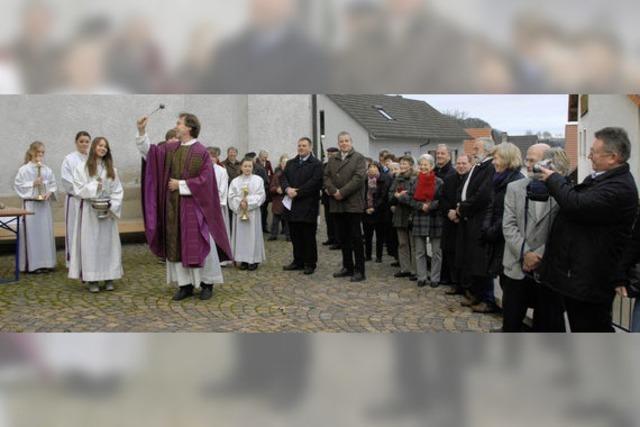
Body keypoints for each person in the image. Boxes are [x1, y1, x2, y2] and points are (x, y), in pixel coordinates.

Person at [538, 127, 639, 332]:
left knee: (591, 329)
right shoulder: (602, 178)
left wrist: (554, 179)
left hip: (591, 279)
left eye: (593, 151)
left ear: (612, 157)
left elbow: (577, 205)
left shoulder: (619, 187)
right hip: (579, 276)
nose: (589, 155)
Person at [137, 113, 233, 301]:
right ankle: (185, 285)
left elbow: (206, 181)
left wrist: (181, 185)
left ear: (189, 128)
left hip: (195, 208)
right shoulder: (171, 149)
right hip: (173, 207)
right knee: (176, 243)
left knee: (201, 243)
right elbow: (150, 153)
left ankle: (207, 283)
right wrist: (142, 131)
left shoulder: (201, 152)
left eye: (179, 123)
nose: (176, 126)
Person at [502, 145, 569, 332]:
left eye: (533, 160)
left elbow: (563, 233)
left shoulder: (563, 191)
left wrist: (538, 255)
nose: (527, 164)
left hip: (547, 270)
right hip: (517, 267)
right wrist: (525, 253)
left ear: (548, 163)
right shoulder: (514, 188)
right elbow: (508, 225)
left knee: (546, 326)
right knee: (511, 324)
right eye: (527, 159)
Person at [68, 137, 123, 293]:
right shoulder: (82, 168)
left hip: (107, 212)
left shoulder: (111, 169)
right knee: (91, 244)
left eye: (105, 146)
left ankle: (109, 276)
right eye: (100, 145)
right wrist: (95, 186)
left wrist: (112, 203)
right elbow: (77, 189)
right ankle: (92, 278)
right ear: (94, 147)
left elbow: (118, 190)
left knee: (108, 245)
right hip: (89, 212)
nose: (103, 148)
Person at [478, 142, 526, 314]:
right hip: (496, 238)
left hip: (506, 241)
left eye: (496, 158)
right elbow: (491, 206)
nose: (493, 162)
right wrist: (486, 228)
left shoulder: (517, 181)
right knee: (505, 282)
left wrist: (491, 231)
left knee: (510, 286)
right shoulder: (498, 179)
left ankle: (512, 325)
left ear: (506, 159)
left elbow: (509, 214)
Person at [456, 137, 496, 312]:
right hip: (469, 219)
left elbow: (483, 195)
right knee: (471, 259)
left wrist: (462, 208)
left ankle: (486, 299)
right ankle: (476, 294)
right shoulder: (479, 166)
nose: (473, 152)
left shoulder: (490, 167)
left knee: (481, 262)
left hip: (479, 219)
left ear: (487, 150)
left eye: (476, 149)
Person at [323, 131, 367, 282]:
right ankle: (347, 266)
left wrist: (342, 192)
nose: (344, 143)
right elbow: (326, 177)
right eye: (341, 141)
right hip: (336, 204)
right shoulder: (333, 159)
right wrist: (333, 191)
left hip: (352, 204)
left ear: (351, 142)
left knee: (356, 238)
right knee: (343, 238)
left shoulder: (359, 158)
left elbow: (359, 179)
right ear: (338, 143)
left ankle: (360, 270)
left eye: (347, 141)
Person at [281, 137, 324, 275]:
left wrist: (297, 192)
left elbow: (315, 183)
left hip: (308, 206)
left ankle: (310, 263)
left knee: (308, 236)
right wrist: (287, 189)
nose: (301, 148)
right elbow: (283, 178)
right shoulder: (291, 163)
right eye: (299, 145)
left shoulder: (316, 164)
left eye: (304, 145)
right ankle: (297, 261)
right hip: (292, 206)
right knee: (295, 235)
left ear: (310, 148)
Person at [14, 141, 57, 273]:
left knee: (44, 233)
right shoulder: (24, 170)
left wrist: (50, 192)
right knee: (33, 234)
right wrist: (32, 183)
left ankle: (46, 263)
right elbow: (18, 185)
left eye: (42, 153)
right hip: (31, 206)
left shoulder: (47, 169)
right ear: (32, 152)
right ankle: (33, 265)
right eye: (38, 152)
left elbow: (53, 184)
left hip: (43, 207)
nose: (40, 155)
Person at [407, 154, 444, 288]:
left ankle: (435, 278)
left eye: (426, 164)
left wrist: (431, 206)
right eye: (421, 164)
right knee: (420, 251)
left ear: (431, 166)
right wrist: (420, 206)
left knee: (436, 252)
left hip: (435, 219)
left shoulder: (439, 181)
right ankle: (421, 276)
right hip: (419, 217)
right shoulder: (414, 181)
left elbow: (441, 199)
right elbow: (409, 199)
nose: (423, 167)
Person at [441, 154, 472, 295]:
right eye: (458, 163)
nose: (461, 166)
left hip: (465, 222)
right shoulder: (449, 179)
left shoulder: (472, 180)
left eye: (464, 163)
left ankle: (466, 285)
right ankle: (455, 283)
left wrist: (459, 213)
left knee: (465, 255)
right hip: (450, 221)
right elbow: (443, 199)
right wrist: (450, 212)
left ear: (470, 164)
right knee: (451, 253)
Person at [228, 158, 267, 271]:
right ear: (241, 167)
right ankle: (243, 260)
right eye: (245, 166)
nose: (247, 168)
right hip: (240, 213)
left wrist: (247, 202)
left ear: (252, 168)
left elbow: (261, 195)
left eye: (249, 166)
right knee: (241, 237)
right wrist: (240, 202)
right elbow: (231, 196)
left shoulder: (258, 180)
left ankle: (253, 260)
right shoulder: (235, 181)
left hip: (253, 213)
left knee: (253, 236)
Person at [60, 131, 91, 267]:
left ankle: (87, 259)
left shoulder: (92, 158)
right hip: (75, 200)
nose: (84, 144)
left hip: (89, 201)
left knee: (88, 230)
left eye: (86, 141)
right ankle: (73, 262)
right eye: (81, 141)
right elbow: (66, 180)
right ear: (76, 142)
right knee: (74, 229)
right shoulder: (69, 159)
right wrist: (83, 191)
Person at [389, 156, 417, 281]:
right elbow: (390, 195)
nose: (403, 166)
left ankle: (414, 270)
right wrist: (395, 197)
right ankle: (404, 268)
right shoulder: (397, 178)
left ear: (411, 165)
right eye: (401, 163)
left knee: (414, 244)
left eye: (405, 163)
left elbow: (414, 197)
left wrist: (400, 197)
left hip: (411, 214)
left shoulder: (415, 178)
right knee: (402, 243)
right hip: (399, 214)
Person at [363, 162, 392, 263]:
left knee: (379, 236)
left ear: (378, 169)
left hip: (380, 212)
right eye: (370, 167)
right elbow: (362, 195)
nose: (372, 169)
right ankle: (367, 255)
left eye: (374, 167)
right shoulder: (364, 179)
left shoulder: (384, 179)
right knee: (367, 236)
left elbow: (383, 196)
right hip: (366, 211)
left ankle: (379, 256)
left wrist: (374, 207)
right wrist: (366, 207)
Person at [207, 147, 231, 254]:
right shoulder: (200, 170)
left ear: (217, 158)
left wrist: (215, 202)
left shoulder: (222, 171)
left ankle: (220, 255)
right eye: (209, 156)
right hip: (204, 205)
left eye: (213, 156)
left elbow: (222, 189)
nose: (211, 159)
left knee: (218, 231)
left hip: (217, 205)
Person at [321, 147, 340, 249]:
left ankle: (338, 241)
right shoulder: (324, 166)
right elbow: (322, 179)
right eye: (329, 154)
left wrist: (332, 190)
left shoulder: (340, 165)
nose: (330, 155)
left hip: (336, 196)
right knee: (328, 219)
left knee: (336, 220)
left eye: (332, 154)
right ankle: (331, 238)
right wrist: (325, 188)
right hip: (326, 196)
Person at [268, 155, 290, 242]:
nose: (285, 165)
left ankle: (289, 235)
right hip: (278, 201)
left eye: (287, 163)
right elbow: (271, 187)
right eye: (283, 163)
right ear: (281, 164)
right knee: (275, 220)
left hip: (288, 200)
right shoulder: (276, 176)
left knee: (288, 221)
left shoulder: (292, 175)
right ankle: (273, 235)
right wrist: (276, 189)